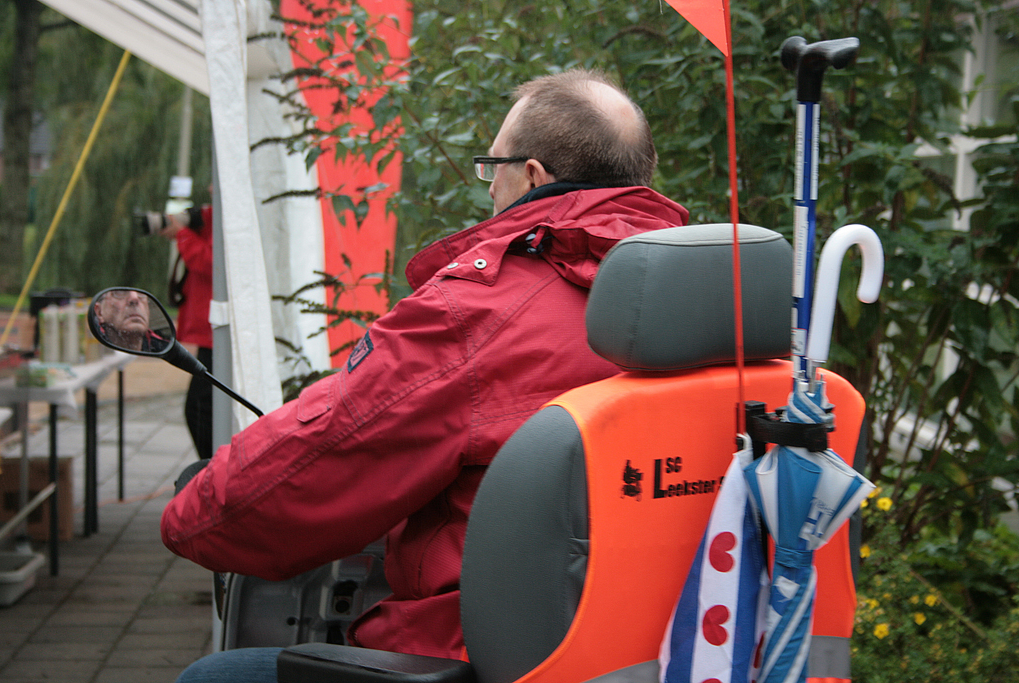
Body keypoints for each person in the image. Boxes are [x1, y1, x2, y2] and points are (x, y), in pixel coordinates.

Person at [168, 68, 690, 682]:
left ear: (531, 176)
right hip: (662, 651)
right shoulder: (715, 303)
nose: (489, 189)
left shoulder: (476, 313)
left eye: (491, 167)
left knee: (211, 676)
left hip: (482, 653)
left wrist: (192, 509)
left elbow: (318, 458)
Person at [160, 203, 214, 460]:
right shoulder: (214, 213)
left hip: (217, 334)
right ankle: (213, 468)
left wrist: (182, 233)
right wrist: (186, 222)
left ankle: (212, 469)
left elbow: (210, 262)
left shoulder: (228, 212)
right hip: (211, 332)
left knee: (199, 409)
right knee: (202, 408)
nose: (212, 188)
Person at [92, 289, 163, 352]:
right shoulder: (94, 347)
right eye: (120, 292)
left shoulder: (163, 348)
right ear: (99, 312)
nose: (135, 298)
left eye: (141, 292)